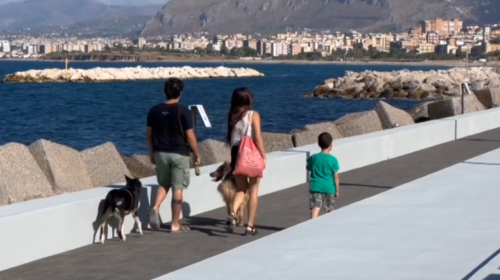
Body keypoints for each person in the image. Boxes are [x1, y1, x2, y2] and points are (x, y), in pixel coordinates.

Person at [146, 77, 200, 233]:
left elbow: (149, 135)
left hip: (160, 153)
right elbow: (190, 136)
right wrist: (197, 153)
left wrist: (151, 153)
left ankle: (155, 207)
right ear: (180, 92)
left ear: (165, 92)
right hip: (179, 153)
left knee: (164, 183)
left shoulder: (154, 110)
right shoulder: (184, 112)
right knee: (178, 188)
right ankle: (175, 224)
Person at [226, 87, 266, 235]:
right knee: (254, 190)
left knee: (241, 189)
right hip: (250, 152)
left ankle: (233, 212)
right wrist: (263, 155)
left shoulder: (232, 115)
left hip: (236, 153)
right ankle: (250, 226)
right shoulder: (253, 115)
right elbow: (257, 138)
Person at [306, 132, 340, 219]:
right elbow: (335, 176)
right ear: (330, 145)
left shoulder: (314, 157)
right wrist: (337, 190)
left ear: (319, 144)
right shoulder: (333, 160)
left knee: (316, 207)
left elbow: (308, 167)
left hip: (316, 186)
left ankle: (312, 225)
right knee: (330, 208)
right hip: (329, 187)